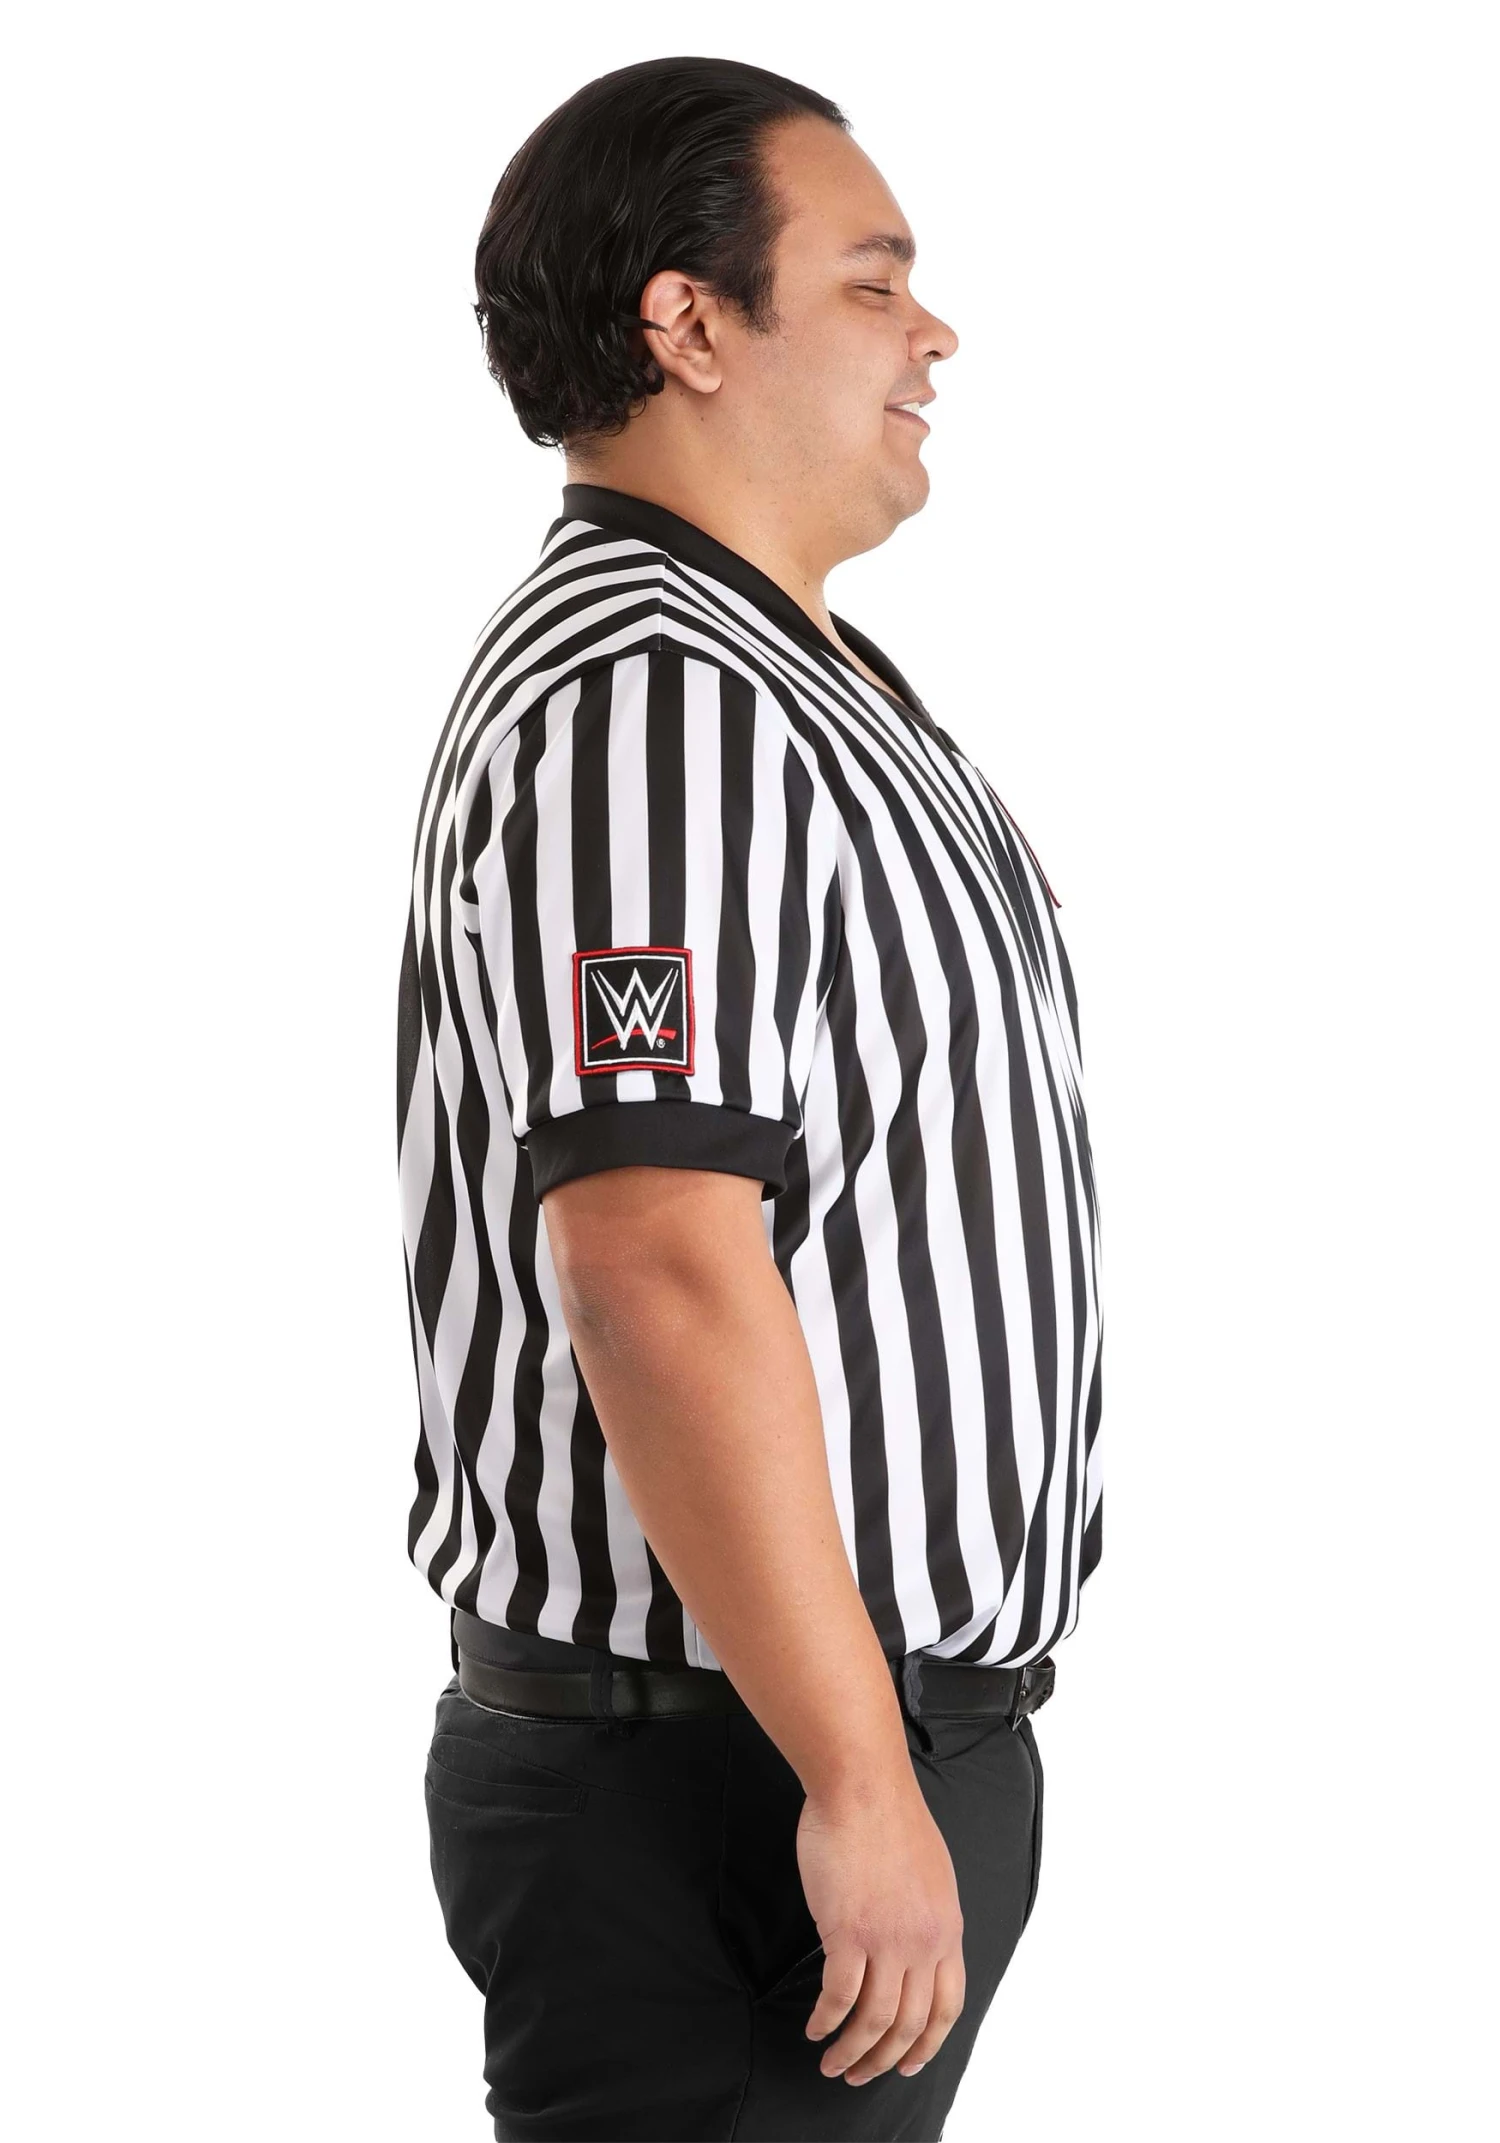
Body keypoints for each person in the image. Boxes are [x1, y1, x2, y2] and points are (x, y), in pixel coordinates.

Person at [396, 53, 1104, 2143]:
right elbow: (655, 1258)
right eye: (873, 283)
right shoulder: (656, 699)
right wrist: (857, 1768)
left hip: (806, 1757)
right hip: (730, 1781)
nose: (932, 335)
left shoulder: (781, 679)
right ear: (689, 324)